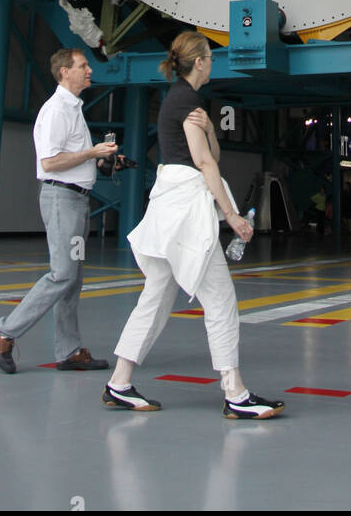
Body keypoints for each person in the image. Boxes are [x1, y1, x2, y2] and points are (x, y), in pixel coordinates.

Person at [102, 31, 285, 420]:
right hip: (185, 212)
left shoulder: (183, 100)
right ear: (199, 62)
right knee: (220, 298)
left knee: (155, 298)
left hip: (169, 208)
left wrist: (212, 130)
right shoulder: (186, 100)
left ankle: (119, 383)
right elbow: (204, 163)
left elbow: (209, 152)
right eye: (211, 57)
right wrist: (232, 215)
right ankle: (235, 393)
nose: (213, 63)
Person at [0, 48, 120, 374]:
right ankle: (4, 330)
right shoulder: (57, 110)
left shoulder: (73, 109)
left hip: (76, 200)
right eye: (83, 66)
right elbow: (50, 162)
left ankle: (69, 350)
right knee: (62, 274)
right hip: (62, 199)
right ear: (65, 72)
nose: (89, 70)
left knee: (72, 279)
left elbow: (71, 156)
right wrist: (92, 152)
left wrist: (99, 159)